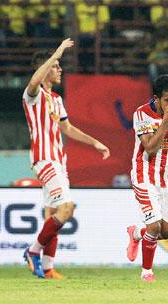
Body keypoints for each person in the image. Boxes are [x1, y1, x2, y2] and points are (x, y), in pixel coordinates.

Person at [22, 38, 110, 279]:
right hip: (44, 159)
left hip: (59, 161)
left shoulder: (57, 100)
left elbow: (68, 129)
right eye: (56, 66)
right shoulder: (33, 95)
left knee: (53, 213)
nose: (60, 70)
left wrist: (94, 142)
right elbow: (33, 81)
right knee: (66, 208)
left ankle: (48, 268)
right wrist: (58, 51)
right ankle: (33, 252)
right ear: (44, 68)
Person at [126, 74, 168, 282]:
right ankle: (147, 272)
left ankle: (137, 234)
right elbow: (150, 147)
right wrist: (165, 120)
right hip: (144, 173)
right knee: (154, 227)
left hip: (166, 177)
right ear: (156, 98)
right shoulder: (141, 114)